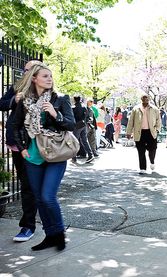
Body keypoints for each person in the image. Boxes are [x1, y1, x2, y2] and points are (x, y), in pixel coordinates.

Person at [12, 62, 76, 251]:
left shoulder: (60, 99)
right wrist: (22, 148)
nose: (49, 79)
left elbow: (71, 125)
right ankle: (50, 236)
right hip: (33, 155)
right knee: (39, 198)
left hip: (56, 154)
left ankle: (59, 234)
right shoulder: (24, 101)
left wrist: (55, 114)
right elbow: (15, 126)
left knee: (48, 197)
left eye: (50, 76)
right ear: (34, 79)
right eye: (45, 76)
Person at [0, 60, 41, 242]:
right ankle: (28, 225)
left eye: (31, 70)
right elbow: (1, 104)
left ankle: (50, 222)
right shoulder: (16, 87)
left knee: (40, 187)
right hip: (19, 143)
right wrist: (13, 100)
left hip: (40, 144)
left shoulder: (47, 89)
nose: (27, 73)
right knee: (26, 185)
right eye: (25, 70)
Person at [126, 95, 161, 174]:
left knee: (152, 149)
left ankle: (152, 161)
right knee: (141, 150)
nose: (145, 100)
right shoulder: (136, 109)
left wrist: (157, 130)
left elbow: (159, 120)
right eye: (143, 98)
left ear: (149, 99)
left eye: (146, 98)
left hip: (151, 132)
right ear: (141, 99)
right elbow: (131, 121)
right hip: (139, 132)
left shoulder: (154, 109)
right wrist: (129, 132)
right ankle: (142, 168)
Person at [72, 96, 94, 163]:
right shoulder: (84, 107)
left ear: (74, 100)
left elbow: (72, 117)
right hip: (83, 125)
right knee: (85, 140)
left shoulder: (73, 108)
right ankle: (90, 155)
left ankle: (74, 157)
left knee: (74, 141)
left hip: (76, 126)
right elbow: (87, 116)